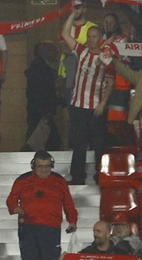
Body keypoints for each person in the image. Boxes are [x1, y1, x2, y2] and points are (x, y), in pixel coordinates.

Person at [61, 9, 113, 185]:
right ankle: (77, 177)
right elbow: (65, 33)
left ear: (100, 38)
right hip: (77, 105)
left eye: (94, 36)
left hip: (96, 106)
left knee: (98, 145)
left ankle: (101, 177)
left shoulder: (106, 58)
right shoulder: (81, 51)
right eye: (89, 36)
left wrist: (103, 104)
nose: (91, 39)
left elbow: (111, 82)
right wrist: (72, 15)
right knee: (78, 144)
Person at [5, 151, 75, 260]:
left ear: (52, 166)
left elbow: (68, 203)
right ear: (33, 166)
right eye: (40, 166)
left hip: (52, 230)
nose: (44, 169)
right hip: (28, 229)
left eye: (47, 166)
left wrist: (72, 221)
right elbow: (11, 199)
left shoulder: (60, 181)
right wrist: (15, 207)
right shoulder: (22, 180)